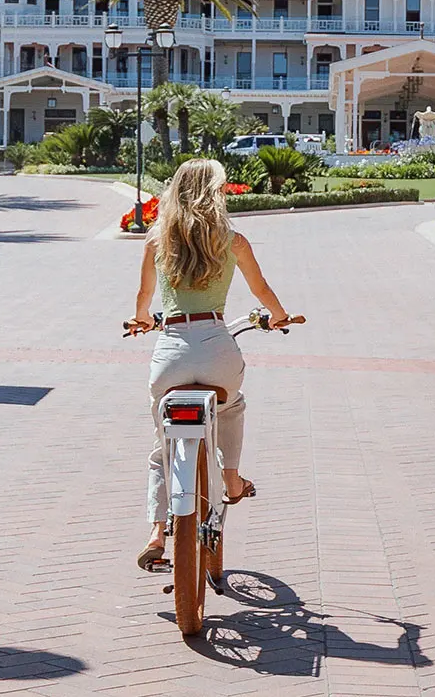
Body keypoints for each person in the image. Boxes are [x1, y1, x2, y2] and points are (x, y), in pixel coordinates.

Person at [126, 158, 293, 572]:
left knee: (162, 444)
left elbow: (143, 301)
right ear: (214, 193)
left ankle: (155, 530)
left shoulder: (156, 240)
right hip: (217, 347)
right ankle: (232, 479)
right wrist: (280, 316)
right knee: (231, 406)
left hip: (171, 354)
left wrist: (141, 321)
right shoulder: (233, 241)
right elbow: (263, 290)